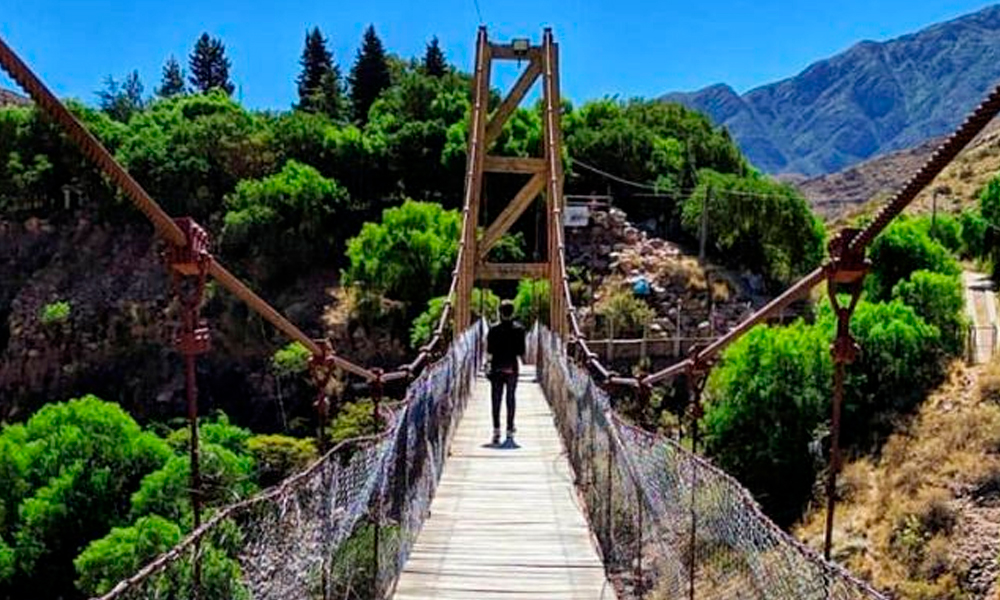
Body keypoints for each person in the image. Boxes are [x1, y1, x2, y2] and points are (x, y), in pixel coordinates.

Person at [486, 300, 526, 445]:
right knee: (510, 398)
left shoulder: (493, 329)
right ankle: (509, 429)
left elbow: (489, 351)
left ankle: (496, 430)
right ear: (513, 313)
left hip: (497, 367)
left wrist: (488, 365)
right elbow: (521, 352)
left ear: (499, 312)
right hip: (512, 368)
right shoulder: (519, 330)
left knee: (496, 399)